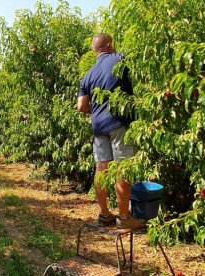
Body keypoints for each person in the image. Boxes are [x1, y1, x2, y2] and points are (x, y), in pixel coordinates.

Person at [77, 33, 143, 229]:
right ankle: (124, 218)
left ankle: (104, 214)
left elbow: (81, 106)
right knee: (123, 167)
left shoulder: (88, 74)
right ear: (109, 45)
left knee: (102, 168)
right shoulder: (120, 59)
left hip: (98, 125)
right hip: (118, 122)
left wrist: (97, 110)